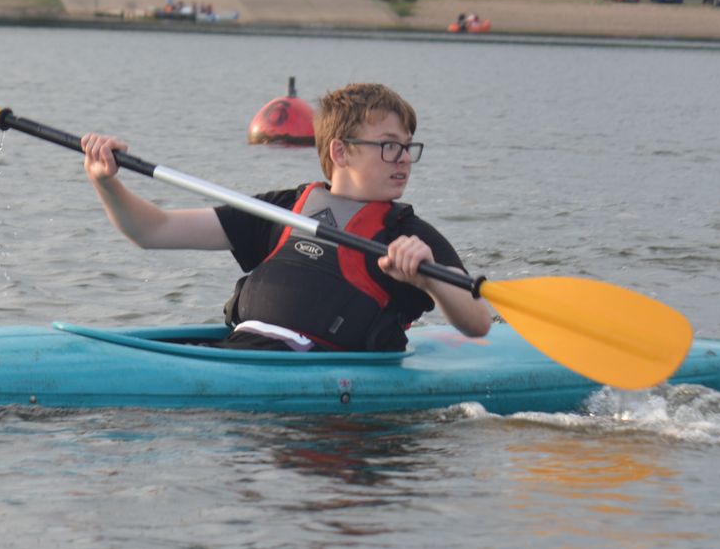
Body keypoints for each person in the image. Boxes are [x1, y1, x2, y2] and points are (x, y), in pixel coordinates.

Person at [80, 83, 494, 352]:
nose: (403, 158)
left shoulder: (409, 235)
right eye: (388, 146)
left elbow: (477, 324)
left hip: (314, 380)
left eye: (407, 146)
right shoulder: (279, 210)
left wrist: (427, 279)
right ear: (341, 152)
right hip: (241, 352)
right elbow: (153, 230)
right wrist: (105, 182)